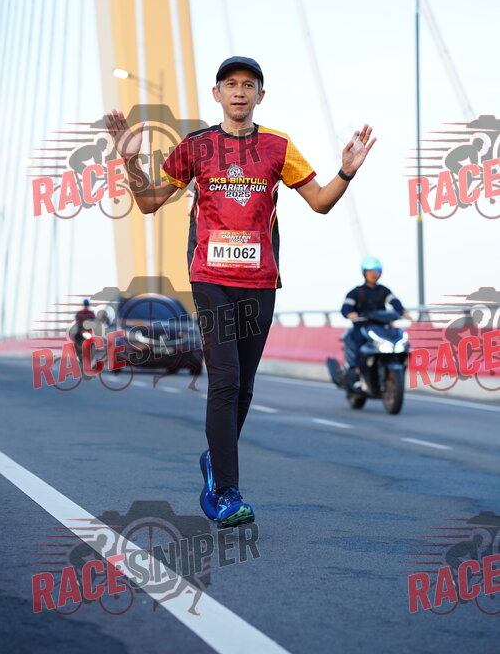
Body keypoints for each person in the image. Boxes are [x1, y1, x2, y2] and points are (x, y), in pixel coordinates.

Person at [105, 56, 376, 528]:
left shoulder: (278, 146)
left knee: (245, 387)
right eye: (230, 84)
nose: (239, 91)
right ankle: (225, 493)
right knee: (225, 379)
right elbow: (148, 203)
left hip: (261, 281)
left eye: (248, 85)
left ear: (260, 96)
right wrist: (129, 159)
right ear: (217, 94)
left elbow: (320, 203)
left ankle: (215, 460)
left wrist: (346, 171)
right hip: (210, 277)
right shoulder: (196, 146)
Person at [340, 257, 410, 392]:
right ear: (364, 273)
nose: (373, 274)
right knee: (358, 346)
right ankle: (356, 376)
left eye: (376, 271)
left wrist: (403, 312)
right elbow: (345, 308)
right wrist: (350, 314)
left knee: (401, 344)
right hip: (363, 327)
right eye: (370, 271)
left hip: (381, 328)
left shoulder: (383, 290)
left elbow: (395, 302)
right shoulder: (357, 292)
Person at [70, 299, 96, 364]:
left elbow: (77, 322)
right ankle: (80, 356)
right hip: (85, 332)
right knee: (77, 341)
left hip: (83, 332)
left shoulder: (81, 313)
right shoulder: (90, 313)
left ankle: (80, 356)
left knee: (76, 341)